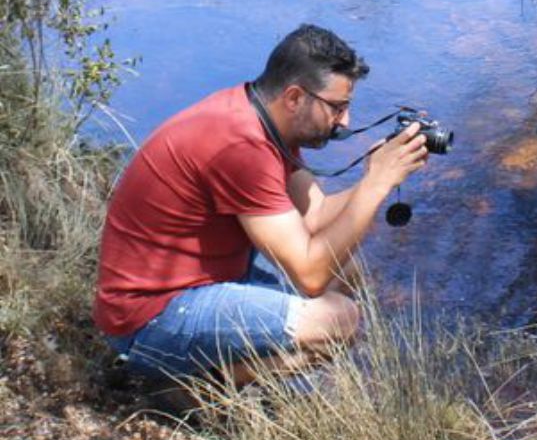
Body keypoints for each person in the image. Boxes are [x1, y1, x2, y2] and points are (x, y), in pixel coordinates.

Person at [95, 23, 428, 387]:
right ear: (295, 98)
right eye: (338, 107)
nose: (344, 122)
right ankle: (197, 386)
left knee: (346, 269)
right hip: (148, 320)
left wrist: (374, 175)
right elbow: (311, 276)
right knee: (341, 320)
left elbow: (316, 217)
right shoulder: (242, 145)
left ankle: (225, 371)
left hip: (197, 284)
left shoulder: (264, 119)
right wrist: (377, 185)